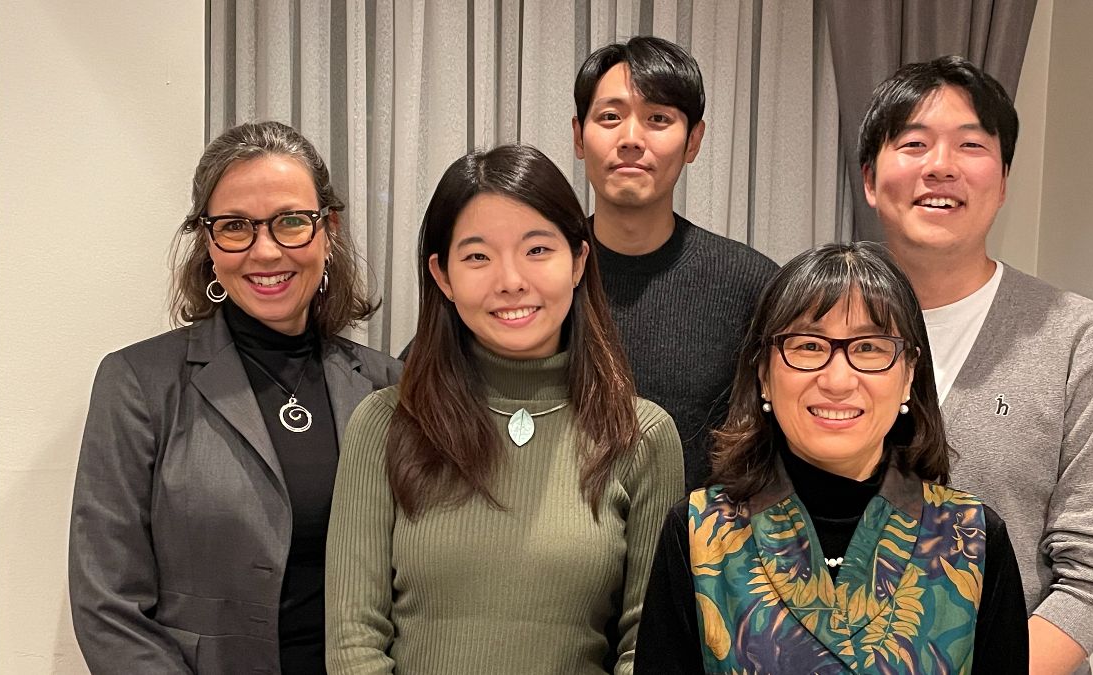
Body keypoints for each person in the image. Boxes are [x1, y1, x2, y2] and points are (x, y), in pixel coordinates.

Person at [325, 144, 684, 673]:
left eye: (537, 250)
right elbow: (354, 641)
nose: (511, 280)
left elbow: (646, 649)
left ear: (579, 260)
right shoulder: (385, 424)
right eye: (477, 256)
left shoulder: (641, 434)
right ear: (442, 276)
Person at [68, 121, 403, 674]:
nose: (265, 250)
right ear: (208, 239)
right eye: (235, 226)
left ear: (329, 231)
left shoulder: (386, 385)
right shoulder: (138, 384)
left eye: (291, 221)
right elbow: (108, 606)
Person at [858, 56, 1093, 673]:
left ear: (1003, 180)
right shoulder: (807, 330)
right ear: (869, 179)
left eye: (970, 144)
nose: (941, 166)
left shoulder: (1081, 342)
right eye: (914, 143)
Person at [635, 242, 1028, 673]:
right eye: (808, 346)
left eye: (869, 348)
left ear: (909, 374)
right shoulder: (699, 534)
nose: (838, 380)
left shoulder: (971, 539)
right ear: (763, 373)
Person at [573, 36, 778, 491]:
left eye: (658, 119)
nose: (630, 139)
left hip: (699, 555)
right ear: (578, 136)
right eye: (609, 117)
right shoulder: (537, 273)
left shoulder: (750, 284)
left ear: (693, 141)